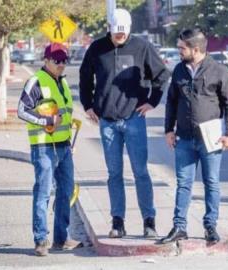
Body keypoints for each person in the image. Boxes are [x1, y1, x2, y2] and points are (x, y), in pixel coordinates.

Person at [79, 8, 170, 238]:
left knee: (140, 172)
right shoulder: (97, 48)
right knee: (114, 174)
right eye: (116, 32)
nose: (120, 37)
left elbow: (161, 76)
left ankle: (149, 221)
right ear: (109, 27)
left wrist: (152, 102)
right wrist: (88, 104)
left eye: (124, 33)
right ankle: (117, 222)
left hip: (134, 119)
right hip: (107, 121)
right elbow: (84, 76)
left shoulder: (141, 47)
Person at [160, 28, 228, 245]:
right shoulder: (178, 71)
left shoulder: (219, 71)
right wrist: (168, 130)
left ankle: (210, 225)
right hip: (184, 138)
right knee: (183, 183)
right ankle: (179, 226)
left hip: (211, 139)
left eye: (181, 48)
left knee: (211, 182)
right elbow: (172, 102)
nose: (179, 51)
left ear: (195, 49)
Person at [17, 43, 74, 256]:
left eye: (63, 60)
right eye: (56, 60)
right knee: (43, 193)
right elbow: (22, 110)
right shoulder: (36, 81)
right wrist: (46, 120)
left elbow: (65, 113)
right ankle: (41, 240)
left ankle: (61, 238)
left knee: (66, 191)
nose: (60, 64)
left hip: (64, 146)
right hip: (43, 147)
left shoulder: (63, 82)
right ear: (46, 60)